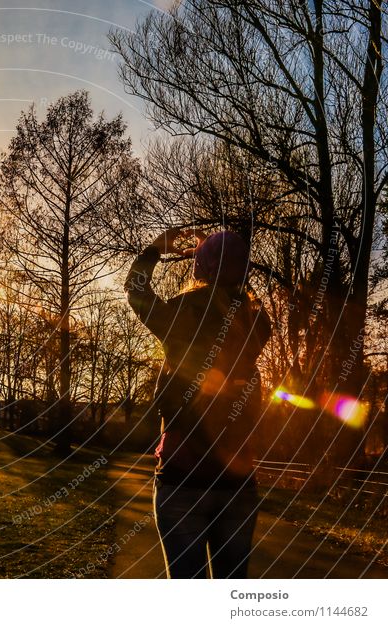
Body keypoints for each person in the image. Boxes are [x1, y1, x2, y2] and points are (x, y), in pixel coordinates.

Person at [124, 227, 272, 578]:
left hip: (182, 478)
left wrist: (157, 247)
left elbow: (136, 289)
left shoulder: (181, 314)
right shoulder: (256, 323)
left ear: (200, 268)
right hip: (237, 485)